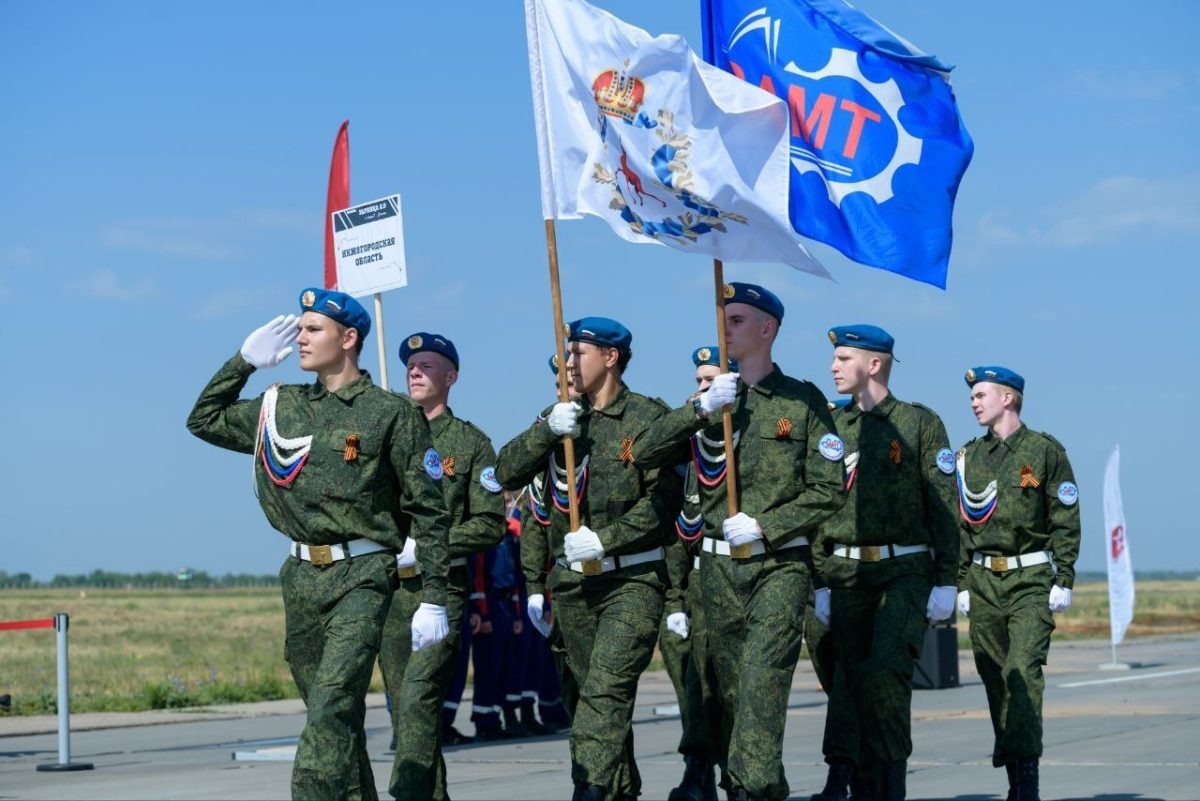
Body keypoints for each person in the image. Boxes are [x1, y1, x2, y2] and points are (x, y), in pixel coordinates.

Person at [186, 289, 451, 800]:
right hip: (302, 578)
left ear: (349, 338)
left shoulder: (389, 413)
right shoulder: (279, 406)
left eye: (313, 329)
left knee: (331, 705)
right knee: (333, 716)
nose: (300, 339)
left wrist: (434, 595)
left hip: (364, 575)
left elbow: (429, 509)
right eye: (300, 328)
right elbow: (204, 420)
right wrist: (241, 363)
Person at [632, 284, 846, 801]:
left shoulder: (803, 400)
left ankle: (750, 792)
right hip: (718, 572)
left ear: (767, 329)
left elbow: (829, 488)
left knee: (759, 687)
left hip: (778, 567)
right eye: (722, 319)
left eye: (738, 320)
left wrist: (768, 525)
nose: (725, 328)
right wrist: (700, 409)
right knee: (730, 698)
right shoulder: (710, 400)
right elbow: (642, 452)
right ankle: (757, 790)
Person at [496, 317, 681, 801]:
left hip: (633, 581)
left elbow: (665, 502)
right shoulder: (558, 417)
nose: (568, 363)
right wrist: (546, 432)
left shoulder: (647, 417)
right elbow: (505, 471)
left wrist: (609, 538)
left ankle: (591, 790)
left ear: (611, 357)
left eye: (578, 352)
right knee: (588, 697)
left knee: (605, 690)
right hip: (575, 586)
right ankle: (618, 789)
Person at [811, 325, 959, 801]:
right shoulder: (832, 426)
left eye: (843, 358)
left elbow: (943, 504)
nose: (833, 367)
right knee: (846, 680)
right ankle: (849, 782)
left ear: (873, 365)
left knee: (884, 671)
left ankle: (890, 786)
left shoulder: (918, 423)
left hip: (904, 571)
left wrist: (947, 581)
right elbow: (816, 506)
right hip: (846, 575)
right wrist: (819, 579)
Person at [383, 332, 506, 801]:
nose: (415, 372)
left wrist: (429, 545)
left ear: (451, 377)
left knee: (417, 702)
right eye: (410, 365)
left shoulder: (471, 444)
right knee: (407, 711)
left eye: (427, 365)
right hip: (390, 590)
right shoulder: (388, 431)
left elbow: (490, 523)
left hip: (440, 591)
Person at [956, 366, 1080, 801]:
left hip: (1030, 580)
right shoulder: (968, 456)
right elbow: (961, 527)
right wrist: (961, 583)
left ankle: (1027, 784)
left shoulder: (1045, 451)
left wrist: (1063, 575)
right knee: (994, 679)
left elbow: (1065, 517)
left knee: (1020, 671)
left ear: (1007, 398)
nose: (974, 402)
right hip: (983, 579)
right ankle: (1014, 780)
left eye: (981, 394)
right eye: (972, 396)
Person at [664, 346, 735, 801]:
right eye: (698, 381)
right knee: (692, 683)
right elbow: (674, 532)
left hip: (734, 577)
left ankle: (736, 776)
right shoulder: (686, 446)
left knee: (730, 687)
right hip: (691, 583)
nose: (702, 388)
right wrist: (673, 598)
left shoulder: (745, 439)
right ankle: (698, 773)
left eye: (711, 381)